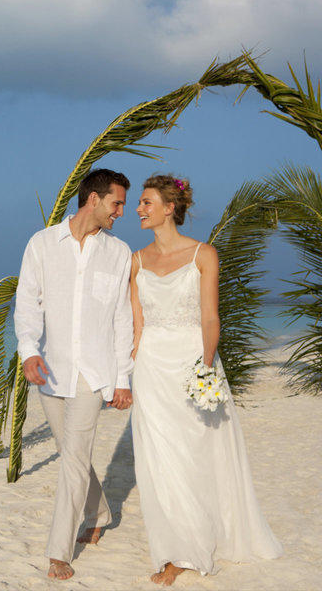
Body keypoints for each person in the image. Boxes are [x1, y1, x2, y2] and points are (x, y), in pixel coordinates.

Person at [130, 174, 282, 586]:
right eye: (139, 202)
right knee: (159, 459)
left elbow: (210, 318)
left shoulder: (203, 254)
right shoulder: (136, 261)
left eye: (146, 202)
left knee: (192, 454)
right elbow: (137, 326)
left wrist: (206, 366)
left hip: (192, 364)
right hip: (150, 368)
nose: (139, 209)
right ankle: (176, 550)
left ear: (169, 208)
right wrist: (127, 373)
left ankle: (196, 537)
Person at [14, 168, 135, 581]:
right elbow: (27, 303)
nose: (121, 212)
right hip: (51, 368)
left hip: (93, 373)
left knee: (74, 459)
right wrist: (29, 351)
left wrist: (122, 379)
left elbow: (121, 318)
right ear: (93, 199)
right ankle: (99, 513)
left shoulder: (118, 252)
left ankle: (59, 551)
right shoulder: (42, 244)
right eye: (117, 203)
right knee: (71, 454)